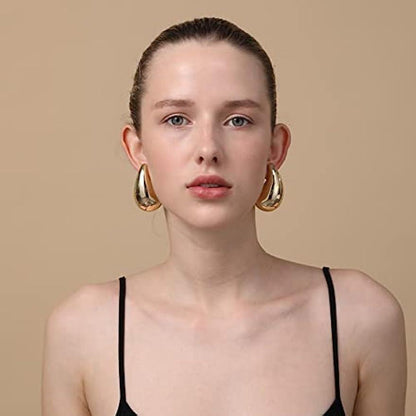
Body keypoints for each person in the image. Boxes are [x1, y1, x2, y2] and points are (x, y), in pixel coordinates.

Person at [41, 16, 407, 416]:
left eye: (238, 120)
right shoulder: (82, 330)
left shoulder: (362, 317)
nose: (208, 149)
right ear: (137, 148)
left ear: (275, 147)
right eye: (177, 119)